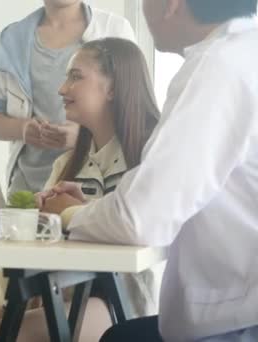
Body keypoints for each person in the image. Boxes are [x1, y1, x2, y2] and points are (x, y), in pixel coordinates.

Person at [46, 0, 258, 341]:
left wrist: (69, 214)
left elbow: (141, 218)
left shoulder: (219, 68)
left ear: (171, 5)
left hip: (236, 323)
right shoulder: (245, 54)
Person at [0, 37, 160, 342]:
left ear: (112, 88)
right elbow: (47, 236)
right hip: (60, 289)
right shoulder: (66, 165)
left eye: (75, 77)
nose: (62, 89)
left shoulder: (149, 157)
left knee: (0, 335)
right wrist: (37, 214)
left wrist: (71, 212)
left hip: (119, 297)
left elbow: (139, 224)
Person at [0, 0, 136, 196]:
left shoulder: (116, 30)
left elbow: (132, 110)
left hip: (92, 187)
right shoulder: (11, 40)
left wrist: (83, 138)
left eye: (75, 76)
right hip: (26, 189)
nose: (63, 89)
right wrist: (23, 129)